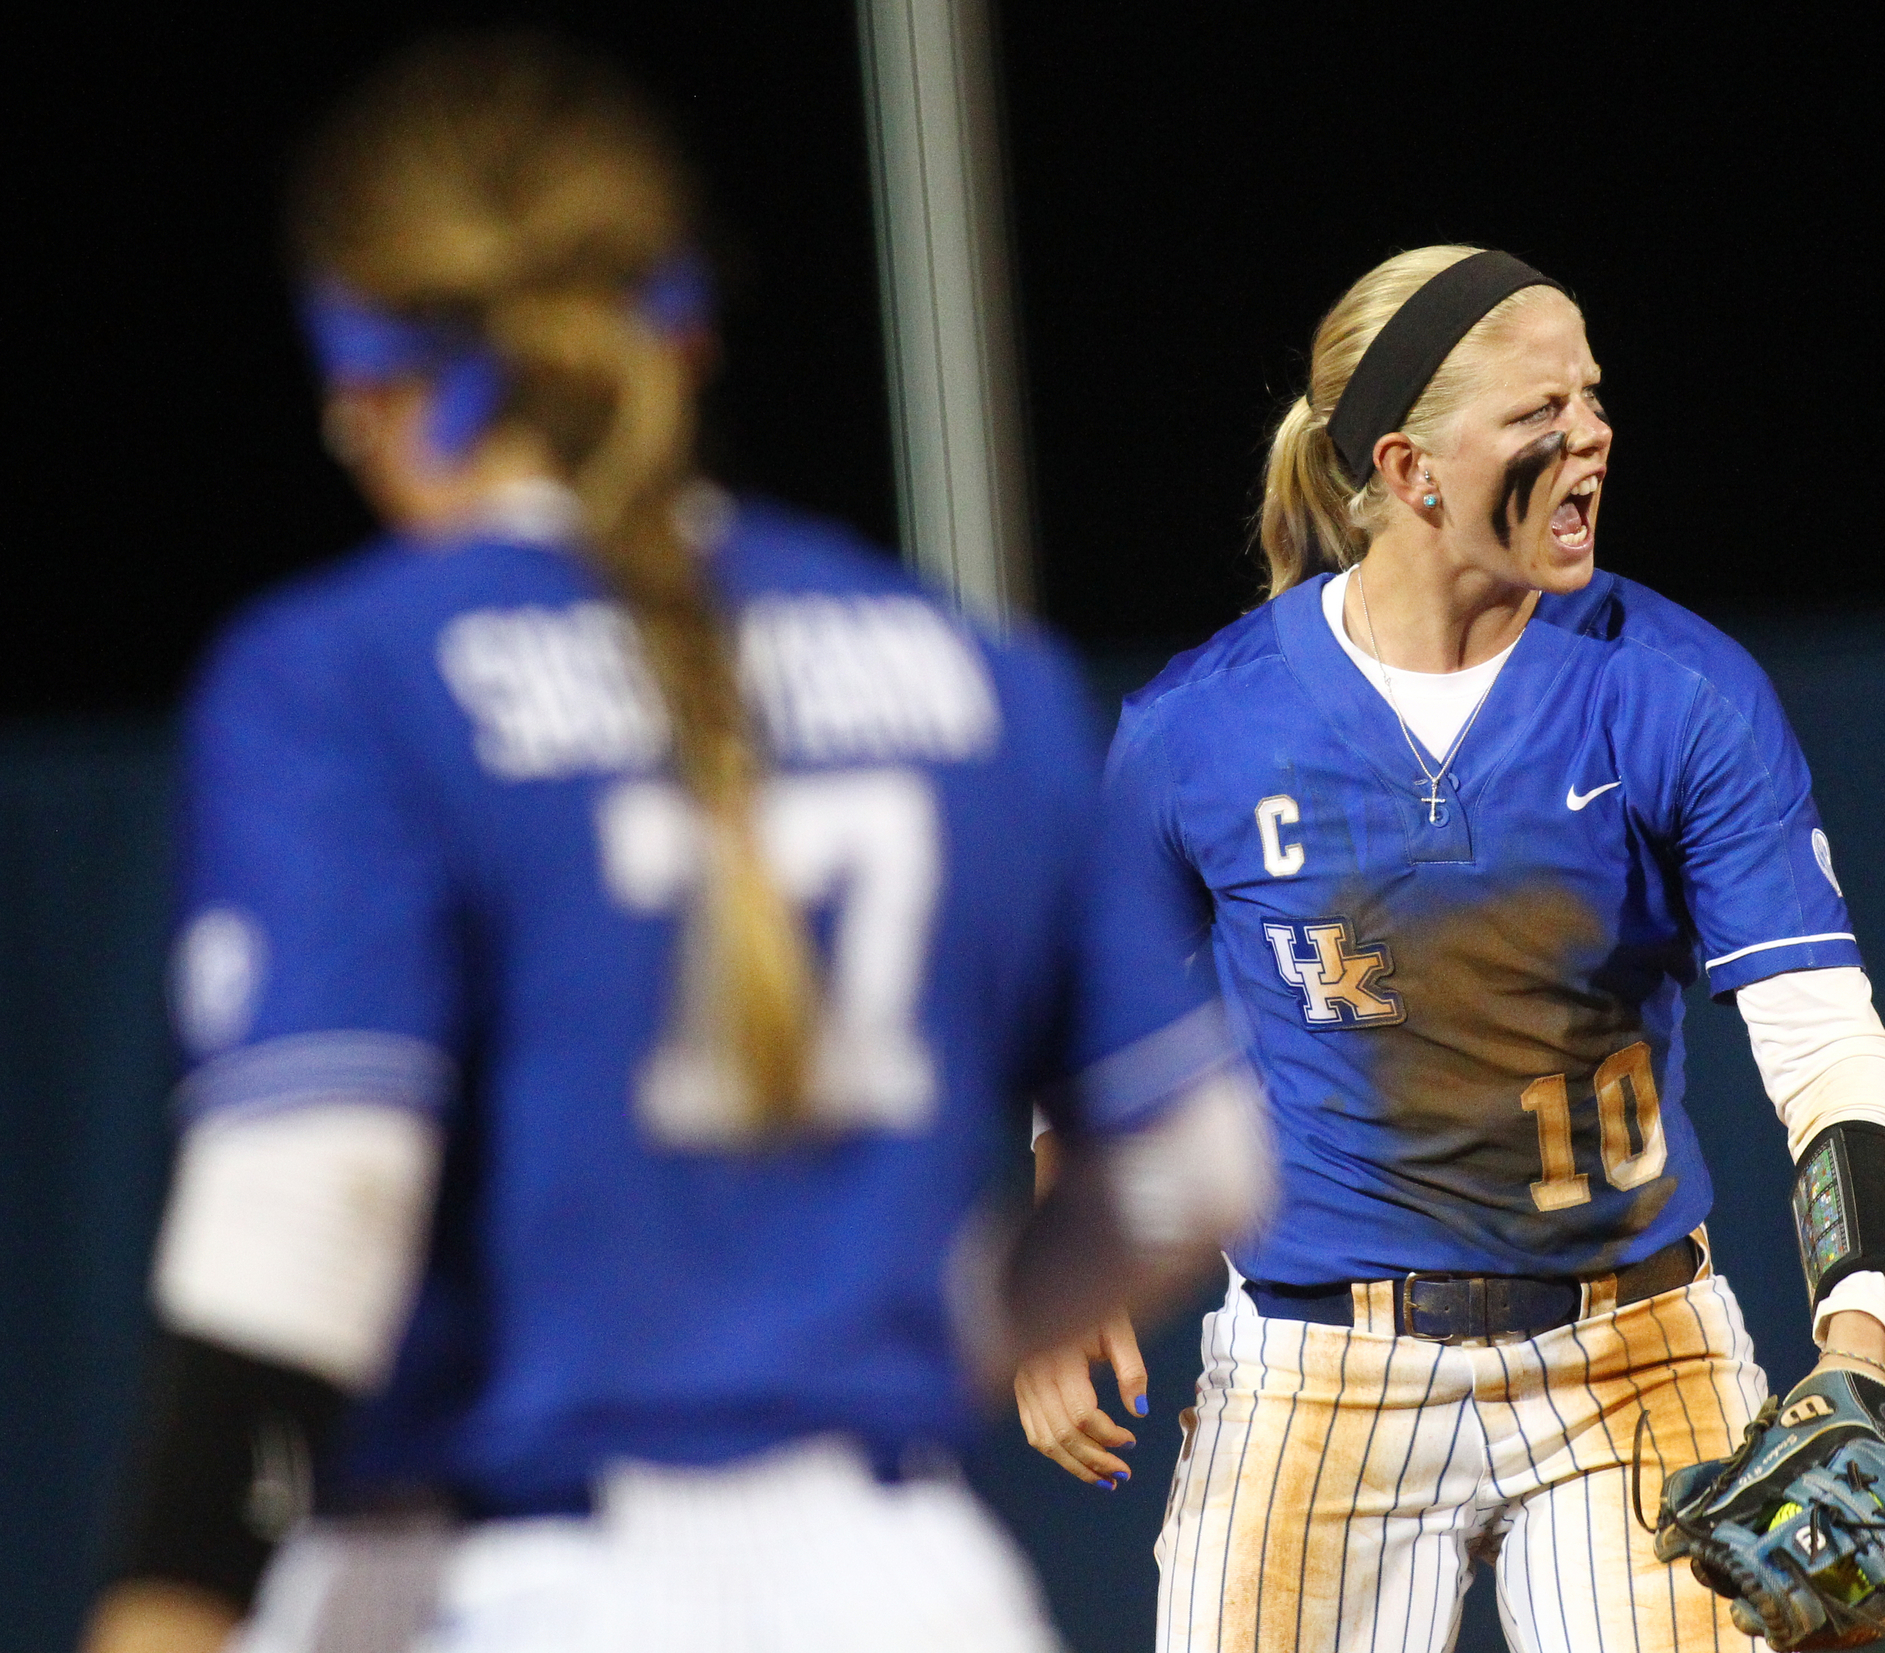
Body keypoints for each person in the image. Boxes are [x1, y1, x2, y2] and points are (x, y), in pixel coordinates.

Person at [82, 34, 1268, 1653]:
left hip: (498, 1577)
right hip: (908, 1581)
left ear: (370, 375)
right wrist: (905, 1349)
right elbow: (1197, 1168)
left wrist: (161, 1611)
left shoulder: (349, 675)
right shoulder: (975, 669)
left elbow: (313, 1211)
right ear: (686, 333)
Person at [1014, 247, 1885, 1651]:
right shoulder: (1201, 729)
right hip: (1318, 1371)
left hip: (1632, 1355)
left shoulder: (1674, 692)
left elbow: (1823, 1043)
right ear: (1411, 464)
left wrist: (1856, 1345)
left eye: (1595, 397)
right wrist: (1061, 1246)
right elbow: (1095, 1029)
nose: (1592, 435)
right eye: (1540, 410)